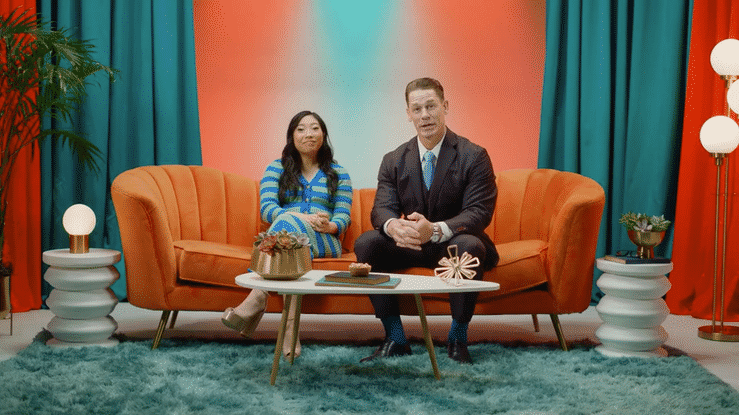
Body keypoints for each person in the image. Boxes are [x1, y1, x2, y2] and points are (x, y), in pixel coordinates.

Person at [354, 77, 499, 365]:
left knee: (470, 246)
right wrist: (394, 227)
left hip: (452, 242)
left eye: (431, 106)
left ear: (445, 106)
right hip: (410, 245)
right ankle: (395, 338)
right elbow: (381, 209)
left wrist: (433, 230)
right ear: (408, 114)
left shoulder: (474, 156)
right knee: (367, 243)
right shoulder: (393, 159)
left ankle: (457, 339)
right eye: (417, 109)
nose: (425, 115)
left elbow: (478, 211)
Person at [222, 110, 352, 358]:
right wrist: (301, 218)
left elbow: (343, 216)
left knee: (285, 226)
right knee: (289, 238)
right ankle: (290, 329)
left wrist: (330, 226)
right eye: (301, 129)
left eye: (315, 128)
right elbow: (267, 209)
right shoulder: (276, 169)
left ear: (323, 135)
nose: (308, 134)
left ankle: (258, 298)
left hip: (325, 240)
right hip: (288, 239)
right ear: (292, 137)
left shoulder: (339, 173)